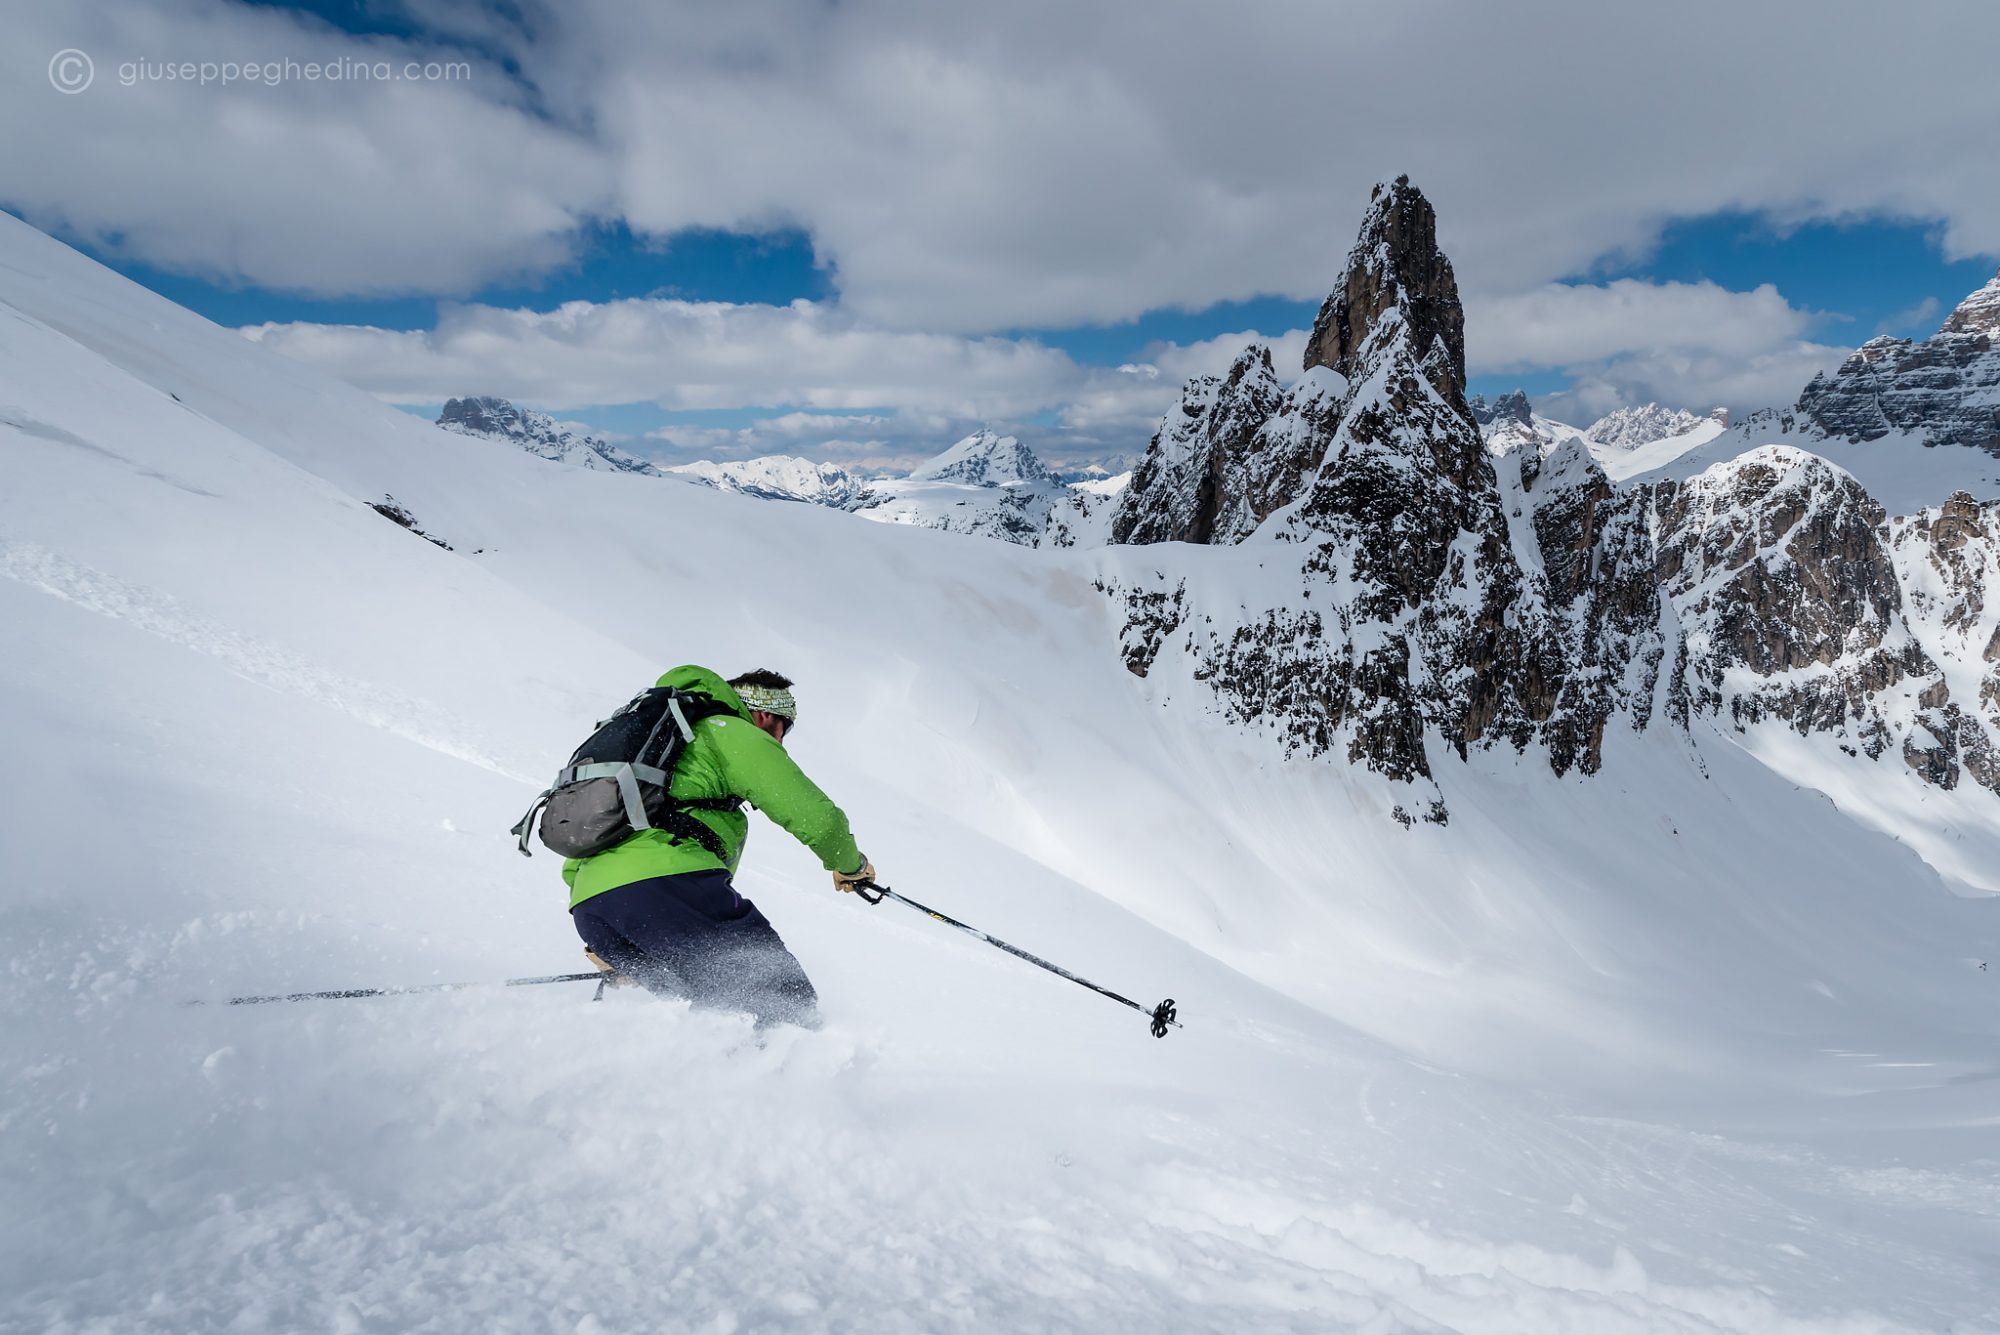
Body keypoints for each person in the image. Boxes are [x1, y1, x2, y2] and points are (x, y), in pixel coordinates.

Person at [562, 665, 875, 1028]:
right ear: (762, 714)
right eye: (782, 727)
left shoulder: (656, 746)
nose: (781, 740)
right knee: (785, 1004)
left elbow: (589, 834)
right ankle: (796, 1080)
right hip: (666, 891)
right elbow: (815, 817)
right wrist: (850, 865)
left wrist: (614, 934)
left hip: (592, 909)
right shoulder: (729, 732)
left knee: (714, 1019)